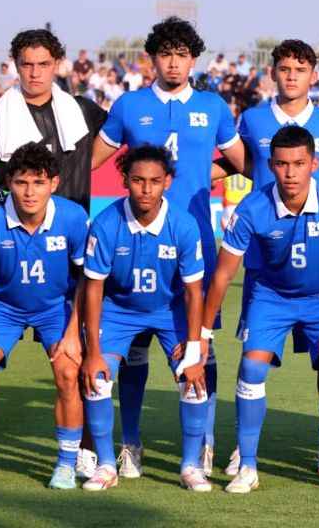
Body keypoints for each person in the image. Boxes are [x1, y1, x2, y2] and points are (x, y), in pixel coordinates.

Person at [91, 16, 246, 479]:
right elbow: (88, 160)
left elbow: (249, 163)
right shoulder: (130, 105)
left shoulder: (213, 107)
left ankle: (206, 441)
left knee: (202, 347)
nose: (174, 63)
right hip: (135, 239)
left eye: (182, 54)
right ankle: (131, 442)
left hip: (193, 241)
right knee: (135, 347)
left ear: (193, 59)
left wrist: (206, 176)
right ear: (153, 58)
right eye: (166, 54)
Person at [203, 126, 319, 494]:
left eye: (299, 163)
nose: (290, 172)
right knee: (251, 366)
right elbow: (222, 275)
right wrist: (202, 336)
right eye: (282, 164)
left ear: (314, 164)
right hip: (273, 296)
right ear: (270, 166)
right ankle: (248, 466)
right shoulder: (253, 206)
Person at [212, 39, 319, 478]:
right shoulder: (251, 119)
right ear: (272, 73)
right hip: (266, 261)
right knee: (254, 358)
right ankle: (242, 449)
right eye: (284, 68)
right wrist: (182, 175)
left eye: (300, 69)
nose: (291, 76)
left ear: (314, 76)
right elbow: (237, 165)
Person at [0, 143, 89, 491]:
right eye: (22, 182)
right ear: (8, 182)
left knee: (69, 373)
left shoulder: (72, 217)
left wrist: (73, 331)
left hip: (56, 306)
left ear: (54, 183)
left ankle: (67, 464)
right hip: (1, 306)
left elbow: (88, 277)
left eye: (39, 183)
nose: (30, 192)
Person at [81, 145, 210, 492]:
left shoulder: (183, 225)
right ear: (125, 180)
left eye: (154, 181)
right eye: (138, 180)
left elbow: (194, 292)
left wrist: (195, 351)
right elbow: (92, 289)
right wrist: (92, 350)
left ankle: (190, 466)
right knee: (97, 379)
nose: (146, 189)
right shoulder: (107, 224)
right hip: (119, 310)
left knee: (192, 380)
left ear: (167, 181)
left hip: (171, 313)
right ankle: (107, 464)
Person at [0, 29, 107, 212]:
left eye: (43, 64)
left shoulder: (84, 110)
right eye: (27, 65)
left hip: (74, 230)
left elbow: (116, 135)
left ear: (56, 64)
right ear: (16, 66)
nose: (35, 73)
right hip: (15, 230)